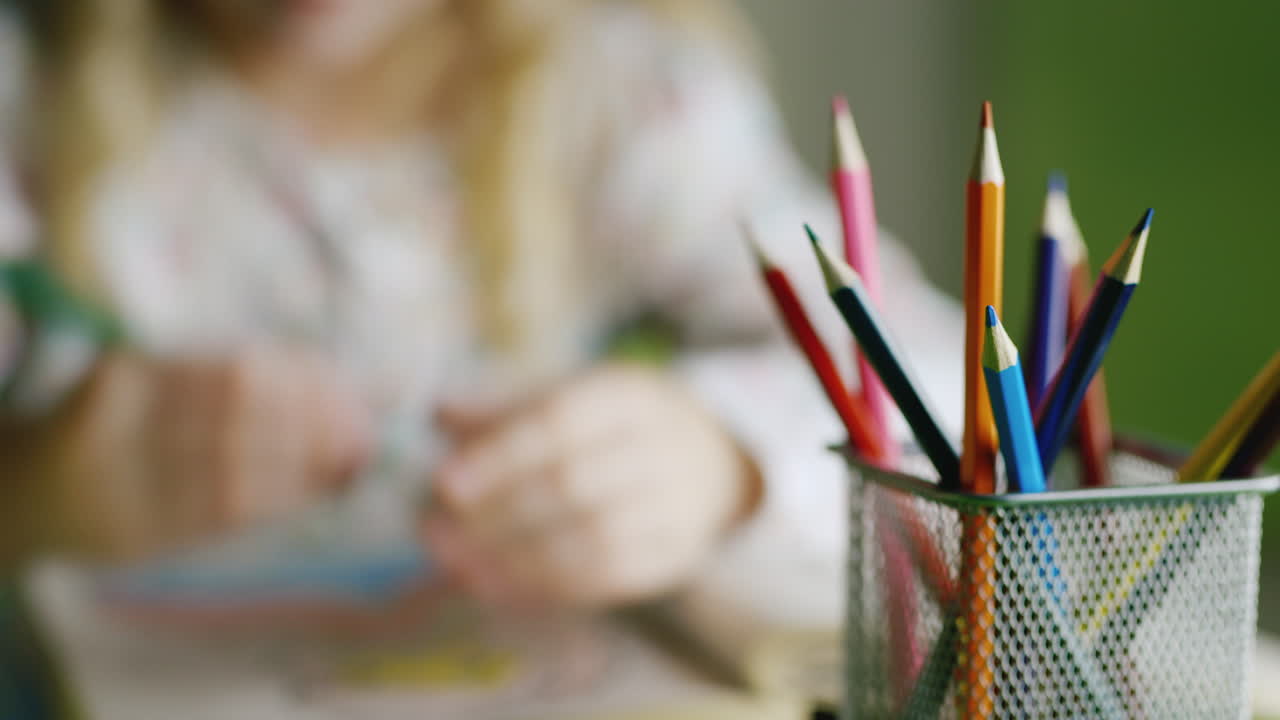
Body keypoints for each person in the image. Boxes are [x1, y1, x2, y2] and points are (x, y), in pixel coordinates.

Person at [0, 0, 962, 636]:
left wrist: (722, 461)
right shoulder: (28, 98)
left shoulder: (618, 97)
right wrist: (37, 488)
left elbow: (935, 376)